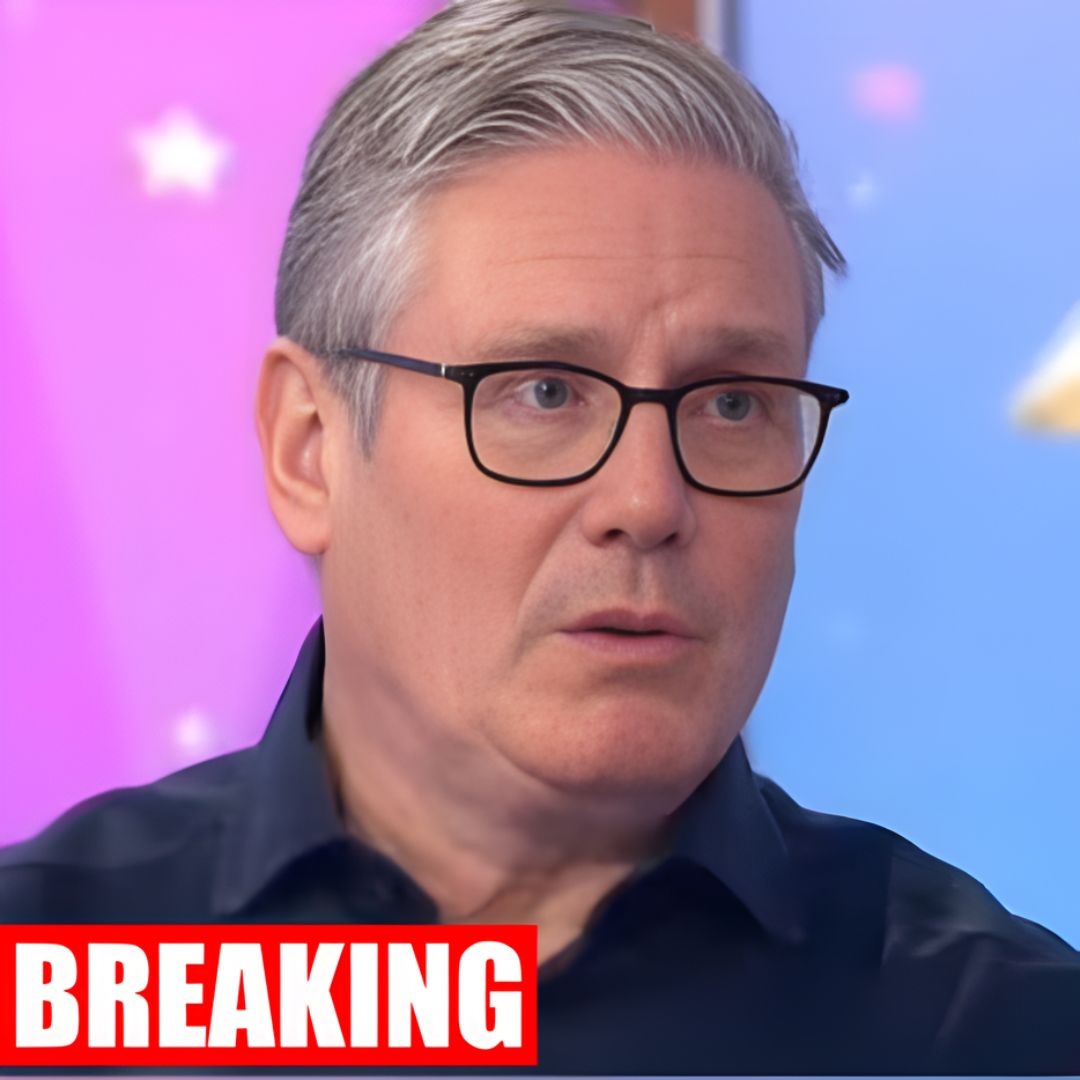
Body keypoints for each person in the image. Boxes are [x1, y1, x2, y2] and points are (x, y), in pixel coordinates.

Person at [2, 1, 1077, 1072]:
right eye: (545, 391)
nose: (647, 502)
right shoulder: (47, 980)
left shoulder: (996, 1033)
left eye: (733, 403)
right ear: (309, 449)